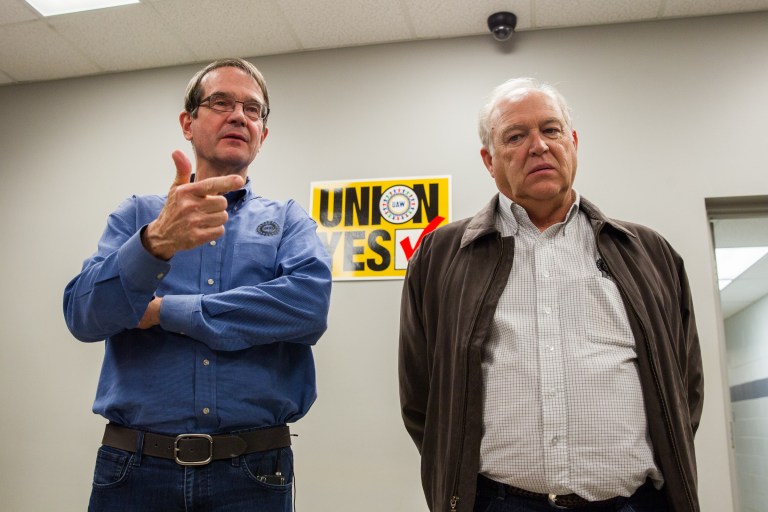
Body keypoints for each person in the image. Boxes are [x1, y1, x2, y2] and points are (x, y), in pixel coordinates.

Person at [398, 78, 702, 512]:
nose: (538, 146)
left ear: (573, 142)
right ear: (489, 160)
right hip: (497, 504)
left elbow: (684, 388)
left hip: (633, 504)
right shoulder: (441, 255)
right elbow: (421, 395)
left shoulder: (648, 252)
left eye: (551, 130)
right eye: (516, 136)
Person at [63, 58, 332, 512]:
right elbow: (83, 316)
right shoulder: (138, 216)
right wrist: (154, 244)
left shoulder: (287, 220)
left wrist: (160, 310)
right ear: (188, 123)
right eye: (221, 102)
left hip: (253, 472)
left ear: (262, 135)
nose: (238, 116)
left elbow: (307, 308)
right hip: (134, 469)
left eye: (252, 109)